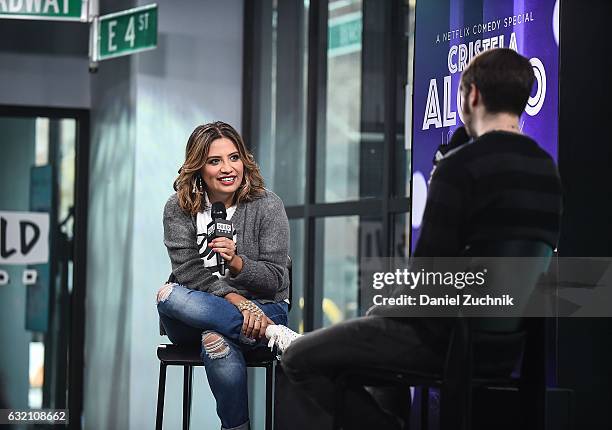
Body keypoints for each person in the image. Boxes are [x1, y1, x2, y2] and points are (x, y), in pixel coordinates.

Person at [281, 48, 563, 429]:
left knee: (298, 357)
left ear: (472, 95)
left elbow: (427, 278)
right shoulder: (547, 172)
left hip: (444, 342)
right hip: (506, 348)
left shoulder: (460, 167)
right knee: (377, 331)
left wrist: (382, 311)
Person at [156, 121, 300, 430]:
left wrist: (236, 263)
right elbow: (187, 271)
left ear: (244, 161)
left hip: (264, 307)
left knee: (215, 339)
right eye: (214, 160)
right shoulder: (178, 208)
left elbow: (276, 279)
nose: (227, 168)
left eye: (234, 158)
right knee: (169, 296)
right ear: (198, 168)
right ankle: (274, 335)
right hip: (202, 314)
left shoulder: (267, 205)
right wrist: (236, 300)